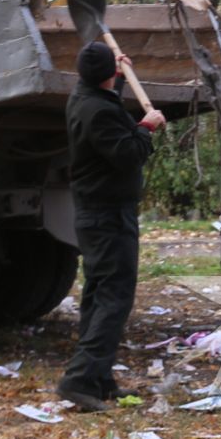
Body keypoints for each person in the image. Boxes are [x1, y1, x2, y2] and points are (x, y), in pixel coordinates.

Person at [57, 41, 167, 412]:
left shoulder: (83, 98)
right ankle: (80, 380)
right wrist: (146, 128)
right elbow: (127, 153)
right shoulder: (98, 111)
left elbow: (105, 110)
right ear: (111, 74)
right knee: (114, 297)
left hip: (96, 214)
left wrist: (117, 77)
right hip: (108, 216)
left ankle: (100, 379)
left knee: (99, 293)